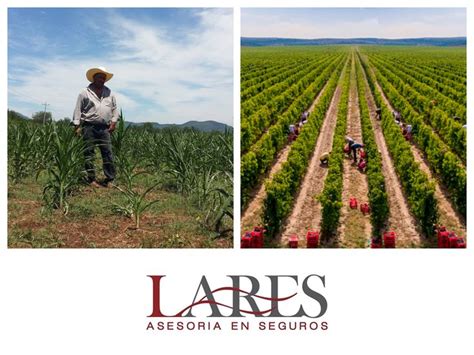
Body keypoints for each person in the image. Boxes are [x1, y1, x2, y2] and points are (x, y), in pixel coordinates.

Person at [73, 66, 118, 188]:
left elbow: (114, 109)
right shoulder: (84, 92)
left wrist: (113, 122)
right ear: (94, 78)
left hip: (105, 128)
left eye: (103, 78)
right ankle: (91, 179)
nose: (101, 79)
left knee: (107, 153)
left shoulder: (110, 93)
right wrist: (77, 126)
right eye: (99, 77)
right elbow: (78, 109)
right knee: (88, 152)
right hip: (89, 126)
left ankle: (110, 179)